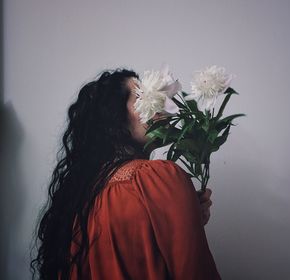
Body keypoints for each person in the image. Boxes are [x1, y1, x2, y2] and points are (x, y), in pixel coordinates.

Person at [31, 68, 221, 280]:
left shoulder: (82, 195)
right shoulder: (157, 178)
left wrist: (185, 217)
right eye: (140, 96)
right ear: (114, 120)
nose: (156, 101)